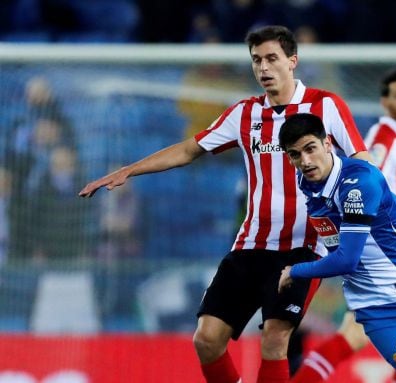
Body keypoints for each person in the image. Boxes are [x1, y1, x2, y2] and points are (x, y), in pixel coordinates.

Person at [79, 25, 370, 383]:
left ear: (292, 61)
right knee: (206, 340)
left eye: (271, 59)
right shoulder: (244, 114)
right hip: (250, 245)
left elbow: (363, 163)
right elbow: (190, 149)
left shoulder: (324, 106)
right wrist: (130, 170)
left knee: (275, 337)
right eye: (256, 60)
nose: (263, 68)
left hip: (303, 247)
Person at [277, 113, 396, 383]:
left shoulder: (357, 185)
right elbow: (387, 191)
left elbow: (347, 260)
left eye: (310, 148)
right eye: (295, 155)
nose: (305, 161)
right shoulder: (307, 182)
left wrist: (295, 271)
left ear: (327, 144)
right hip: (377, 308)